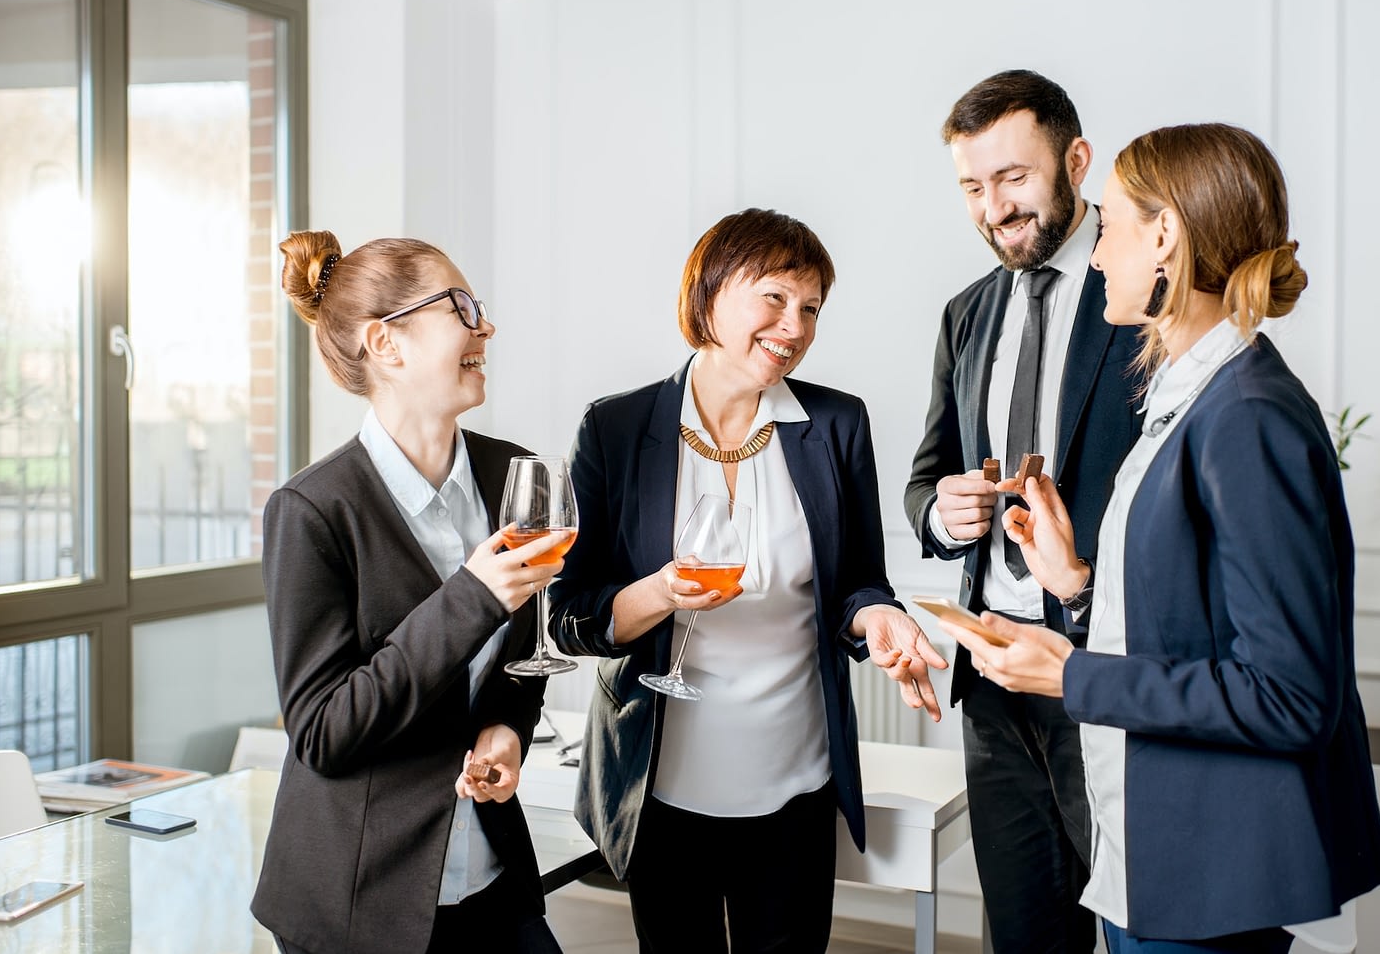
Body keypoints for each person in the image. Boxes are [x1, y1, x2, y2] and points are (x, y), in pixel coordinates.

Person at [938, 123, 1380, 953]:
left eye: (1107, 225)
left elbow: (1289, 697)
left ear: (1164, 237)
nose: (1097, 251)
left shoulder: (1247, 414)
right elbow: (1184, 622)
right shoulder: (1190, 393)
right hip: (1153, 853)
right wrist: (1073, 582)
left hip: (1209, 874)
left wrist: (1072, 675)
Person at [548, 207, 947, 953]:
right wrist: (661, 592)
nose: (792, 326)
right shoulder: (614, 428)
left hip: (794, 781)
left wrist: (880, 617)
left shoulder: (836, 423)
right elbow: (569, 615)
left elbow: (858, 584)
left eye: (810, 308)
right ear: (708, 293)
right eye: (773, 297)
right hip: (660, 786)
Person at [253, 231, 569, 954]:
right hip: (359, 900)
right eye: (460, 306)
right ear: (386, 344)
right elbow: (324, 732)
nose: (484, 325)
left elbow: (519, 665)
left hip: (492, 877)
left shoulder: (512, 475)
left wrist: (508, 731)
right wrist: (472, 596)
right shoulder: (310, 511)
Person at [904, 69, 1143, 952]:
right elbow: (925, 474)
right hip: (994, 677)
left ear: (1075, 161)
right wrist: (941, 512)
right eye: (972, 185)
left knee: (1130, 928)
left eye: (1012, 177)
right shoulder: (964, 314)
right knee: (1024, 936)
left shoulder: (1142, 298)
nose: (992, 206)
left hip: (1105, 670)